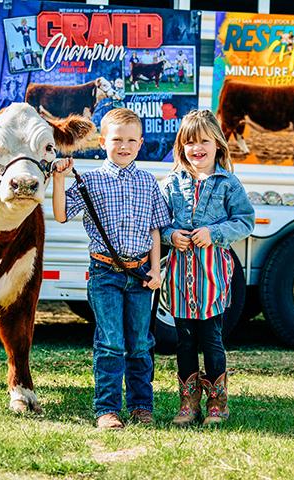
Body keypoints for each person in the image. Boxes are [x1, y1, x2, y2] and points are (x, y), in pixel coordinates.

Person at [52, 108, 171, 430]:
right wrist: (59, 180)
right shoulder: (90, 180)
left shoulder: (148, 182)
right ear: (103, 141)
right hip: (105, 274)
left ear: (141, 143)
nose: (124, 146)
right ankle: (107, 409)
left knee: (140, 344)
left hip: (141, 275)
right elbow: (62, 214)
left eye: (131, 140)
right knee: (110, 343)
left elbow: (155, 230)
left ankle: (140, 406)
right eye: (117, 139)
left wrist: (156, 270)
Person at [160, 110, 254, 426]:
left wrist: (213, 233)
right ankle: (189, 403)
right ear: (181, 146)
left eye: (203, 141)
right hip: (178, 277)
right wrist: (171, 235)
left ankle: (217, 403)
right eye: (190, 142)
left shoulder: (228, 183)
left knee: (212, 339)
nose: (197, 148)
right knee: (184, 340)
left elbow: (245, 221)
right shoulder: (171, 183)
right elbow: (157, 224)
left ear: (217, 143)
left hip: (212, 277)